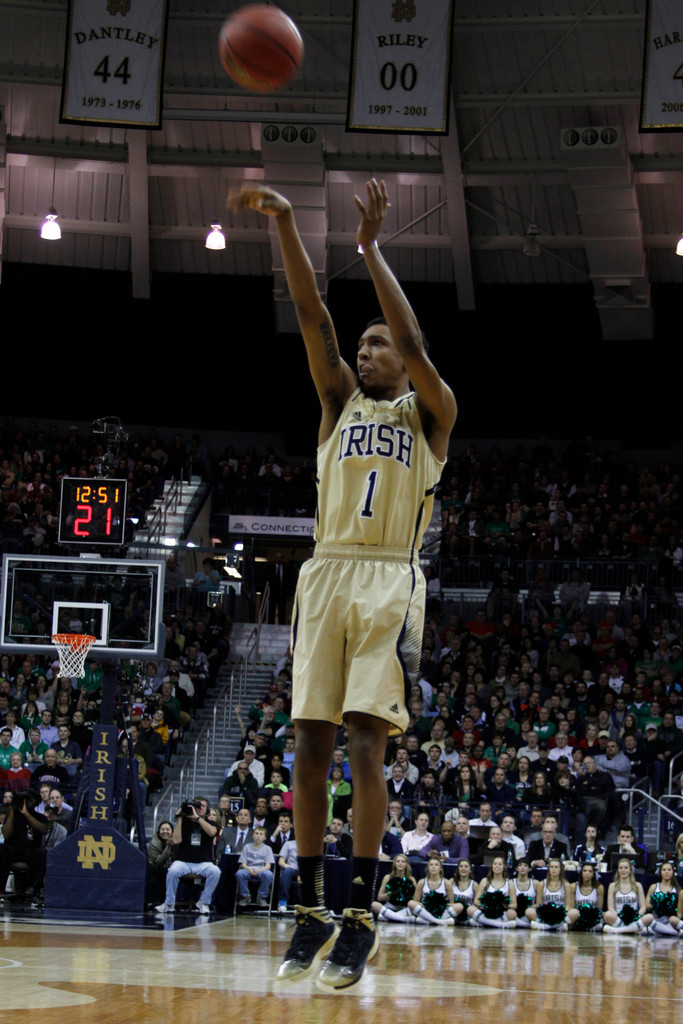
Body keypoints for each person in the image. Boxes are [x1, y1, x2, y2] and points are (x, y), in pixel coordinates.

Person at [229, 178, 456, 989]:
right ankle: (309, 908)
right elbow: (310, 317)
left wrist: (368, 249)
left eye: (376, 345)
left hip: (388, 582)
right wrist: (288, 226)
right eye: (362, 346)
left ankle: (358, 913)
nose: (365, 352)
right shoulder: (336, 404)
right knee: (307, 747)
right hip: (325, 576)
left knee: (364, 743)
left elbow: (419, 344)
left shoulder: (429, 415)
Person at [155, 796, 221, 915]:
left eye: (202, 806)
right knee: (173, 871)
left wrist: (198, 818)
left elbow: (212, 832)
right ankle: (169, 903)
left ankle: (203, 902)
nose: (198, 808)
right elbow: (175, 840)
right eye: (196, 805)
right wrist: (180, 818)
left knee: (215, 871)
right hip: (184, 861)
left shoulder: (210, 822)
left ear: (207, 810)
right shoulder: (184, 823)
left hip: (203, 863)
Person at [468, 855, 517, 928]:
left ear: (504, 867)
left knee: (512, 913)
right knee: (470, 909)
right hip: (486, 911)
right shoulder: (485, 881)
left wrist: (502, 905)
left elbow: (514, 905)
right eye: (495, 864)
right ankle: (499, 924)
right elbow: (476, 901)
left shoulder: (510, 883)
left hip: (501, 912)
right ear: (492, 866)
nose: (497, 866)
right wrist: (486, 906)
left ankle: (483, 923)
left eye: (500, 864)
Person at [602, 857, 649, 934]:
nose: (623, 870)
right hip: (619, 917)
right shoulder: (613, 886)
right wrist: (620, 916)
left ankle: (618, 930)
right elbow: (610, 907)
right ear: (618, 870)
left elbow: (643, 907)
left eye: (626, 868)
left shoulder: (637, 885)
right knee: (607, 915)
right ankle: (634, 929)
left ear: (630, 870)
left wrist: (637, 916)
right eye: (621, 868)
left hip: (634, 917)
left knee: (649, 917)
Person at [409, 852, 457, 925]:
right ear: (428, 868)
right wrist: (428, 904)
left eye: (436, 865)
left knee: (459, 906)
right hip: (425, 910)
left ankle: (429, 921)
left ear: (440, 868)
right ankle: (438, 921)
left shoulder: (447, 883)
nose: (433, 867)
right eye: (431, 865)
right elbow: (416, 901)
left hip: (441, 911)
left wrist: (439, 905)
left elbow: (451, 903)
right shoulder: (422, 882)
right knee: (411, 903)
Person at [526, 857, 573, 931]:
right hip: (545, 914)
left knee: (575, 912)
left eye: (556, 867)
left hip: (560, 914)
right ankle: (558, 927)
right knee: (529, 911)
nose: (554, 869)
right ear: (548, 869)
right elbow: (539, 904)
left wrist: (560, 913)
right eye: (551, 867)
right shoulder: (542, 884)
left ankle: (544, 926)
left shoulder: (566, 885)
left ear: (560, 869)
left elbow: (568, 906)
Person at [235, 825, 276, 907]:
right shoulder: (247, 847)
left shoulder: (268, 849)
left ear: (264, 837)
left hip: (261, 869)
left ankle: (261, 896)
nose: (258, 836)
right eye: (256, 833)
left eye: (261, 834)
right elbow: (243, 863)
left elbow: (268, 866)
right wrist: (249, 869)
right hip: (248, 869)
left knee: (269, 874)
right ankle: (245, 896)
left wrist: (259, 871)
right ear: (253, 836)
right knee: (239, 873)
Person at [371, 853, 416, 922]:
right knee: (374, 904)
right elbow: (379, 897)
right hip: (390, 907)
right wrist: (391, 893)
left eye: (403, 861)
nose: (400, 863)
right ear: (394, 863)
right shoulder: (388, 877)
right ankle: (402, 919)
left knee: (414, 908)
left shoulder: (411, 879)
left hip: (404, 908)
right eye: (398, 861)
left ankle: (390, 917)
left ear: (406, 864)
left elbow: (415, 899)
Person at [643, 861, 680, 937]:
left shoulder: (676, 889)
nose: (666, 872)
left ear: (673, 872)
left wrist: (670, 907)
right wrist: (659, 905)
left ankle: (669, 931)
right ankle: (673, 933)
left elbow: (679, 908)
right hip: (656, 919)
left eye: (669, 870)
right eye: (664, 870)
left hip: (670, 921)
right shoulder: (654, 887)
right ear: (660, 872)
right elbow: (647, 905)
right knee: (651, 923)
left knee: (673, 921)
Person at [570, 862, 605, 932]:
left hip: (592, 918)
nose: (587, 873)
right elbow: (571, 907)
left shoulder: (599, 887)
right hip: (578, 917)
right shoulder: (573, 886)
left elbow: (599, 909)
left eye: (590, 871)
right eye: (585, 871)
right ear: (581, 873)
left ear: (593, 874)